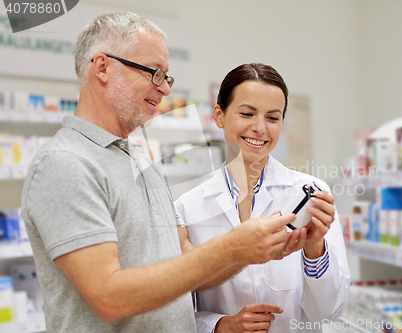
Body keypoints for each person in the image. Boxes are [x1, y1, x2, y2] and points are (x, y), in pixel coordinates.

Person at [21, 13, 298, 333]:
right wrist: (232, 247)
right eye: (155, 73)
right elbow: (110, 298)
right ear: (102, 67)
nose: (165, 89)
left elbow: (189, 264)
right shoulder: (65, 163)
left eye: (167, 77)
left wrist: (255, 249)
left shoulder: (139, 162)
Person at [175, 63, 351, 333]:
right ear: (219, 116)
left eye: (273, 118)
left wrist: (314, 247)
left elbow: (328, 312)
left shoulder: (312, 192)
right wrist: (219, 325)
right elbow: (175, 312)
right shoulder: (187, 209)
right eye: (247, 113)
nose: (260, 128)